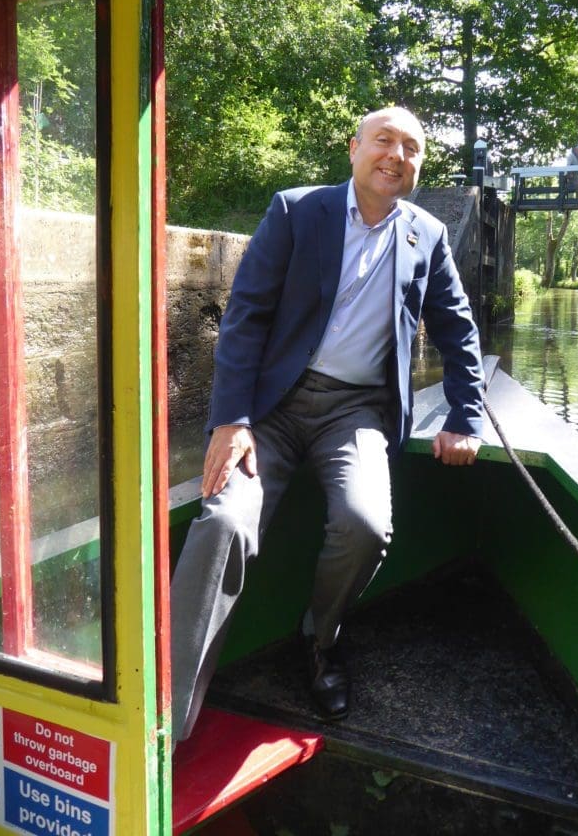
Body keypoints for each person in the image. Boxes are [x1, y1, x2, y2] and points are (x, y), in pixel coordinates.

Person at [170, 106, 485, 745]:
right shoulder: (296, 211)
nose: (397, 155)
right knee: (225, 521)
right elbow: (246, 317)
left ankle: (320, 640)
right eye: (384, 141)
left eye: (412, 148)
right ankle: (169, 711)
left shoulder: (427, 234)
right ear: (354, 148)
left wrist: (465, 415)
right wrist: (231, 419)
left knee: (367, 523)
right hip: (271, 412)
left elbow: (458, 330)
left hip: (356, 412)